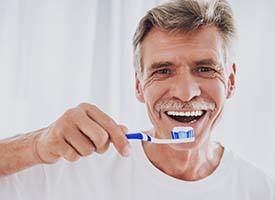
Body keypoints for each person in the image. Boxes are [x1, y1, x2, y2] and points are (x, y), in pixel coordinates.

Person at [0, 0, 274, 199]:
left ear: (232, 81)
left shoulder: (259, 189)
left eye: (204, 68)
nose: (185, 92)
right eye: (163, 71)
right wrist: (35, 146)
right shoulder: (75, 167)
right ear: (139, 86)